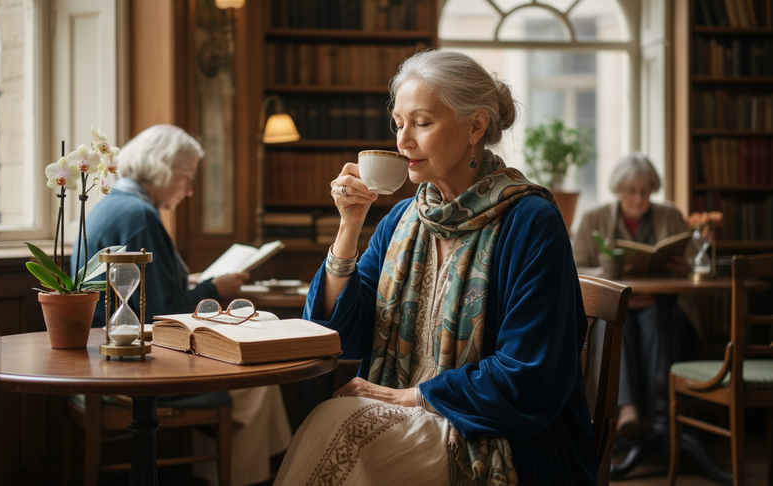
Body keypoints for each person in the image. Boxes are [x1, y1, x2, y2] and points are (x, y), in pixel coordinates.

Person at [275, 50, 597, 485]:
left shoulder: (530, 222)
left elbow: (531, 374)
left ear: (475, 126)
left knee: (341, 429)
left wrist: (411, 397)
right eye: (398, 124)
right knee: (338, 424)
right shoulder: (404, 219)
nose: (403, 141)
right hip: (403, 411)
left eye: (422, 123)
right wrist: (349, 227)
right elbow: (336, 333)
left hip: (504, 438)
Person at [75, 124, 292, 486]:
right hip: (134, 365)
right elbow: (161, 314)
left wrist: (192, 283)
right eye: (187, 177)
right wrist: (212, 287)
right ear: (160, 166)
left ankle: (220, 474)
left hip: (105, 356)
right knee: (256, 378)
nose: (190, 190)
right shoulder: (139, 215)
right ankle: (247, 478)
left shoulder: (112, 204)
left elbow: (145, 292)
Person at [571, 152, 695, 439]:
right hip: (615, 308)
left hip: (661, 305)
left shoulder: (671, 216)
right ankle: (626, 411)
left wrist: (684, 268)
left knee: (657, 322)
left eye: (645, 191)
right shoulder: (594, 217)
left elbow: (692, 266)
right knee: (615, 326)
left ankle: (657, 417)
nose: (639, 199)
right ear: (618, 190)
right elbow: (575, 273)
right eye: (631, 192)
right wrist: (606, 271)